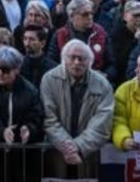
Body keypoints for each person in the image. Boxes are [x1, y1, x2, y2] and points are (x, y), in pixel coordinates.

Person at [41, 38, 116, 179]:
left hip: (88, 155)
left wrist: (78, 146)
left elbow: (102, 123)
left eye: (82, 59)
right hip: (57, 153)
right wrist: (67, 146)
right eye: (72, 57)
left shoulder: (103, 85)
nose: (76, 62)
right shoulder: (49, 79)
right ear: (64, 59)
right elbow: (49, 119)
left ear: (90, 62)